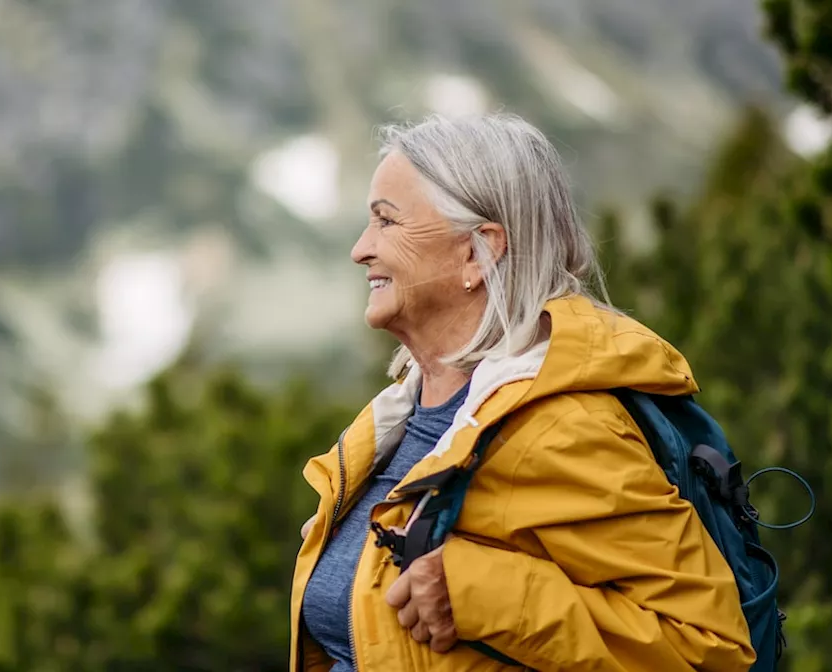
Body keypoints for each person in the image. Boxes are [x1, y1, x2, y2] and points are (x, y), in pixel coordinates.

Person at [289, 113, 756, 671]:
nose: (360, 249)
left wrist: (484, 593)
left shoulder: (564, 426)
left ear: (476, 251)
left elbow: (710, 649)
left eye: (387, 222)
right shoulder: (400, 420)